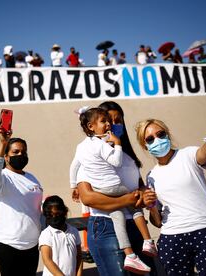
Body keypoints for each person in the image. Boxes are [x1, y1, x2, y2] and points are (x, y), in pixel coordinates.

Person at [136, 118, 206, 276]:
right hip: (172, 238)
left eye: (161, 134)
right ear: (144, 145)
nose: (157, 140)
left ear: (167, 135)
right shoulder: (151, 175)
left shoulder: (187, 155)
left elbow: (204, 153)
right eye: (150, 138)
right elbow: (158, 222)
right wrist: (151, 206)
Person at [74, 101, 157, 276]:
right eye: (107, 120)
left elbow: (138, 186)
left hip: (134, 225)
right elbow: (88, 198)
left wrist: (144, 194)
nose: (111, 124)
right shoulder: (91, 156)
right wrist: (127, 200)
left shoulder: (127, 157)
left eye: (117, 120)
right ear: (94, 125)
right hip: (106, 227)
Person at [0, 127, 43, 276]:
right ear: (6, 157)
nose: (20, 155)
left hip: (31, 245)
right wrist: (3, 143)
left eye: (23, 152)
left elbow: (36, 209)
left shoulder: (32, 178)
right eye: (15, 152)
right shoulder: (2, 178)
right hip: (8, 245)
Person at [39, 195, 82, 276]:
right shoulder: (46, 234)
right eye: (50, 215)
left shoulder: (73, 231)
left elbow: (79, 257)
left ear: (64, 212)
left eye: (57, 214)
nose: (54, 218)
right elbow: (47, 260)